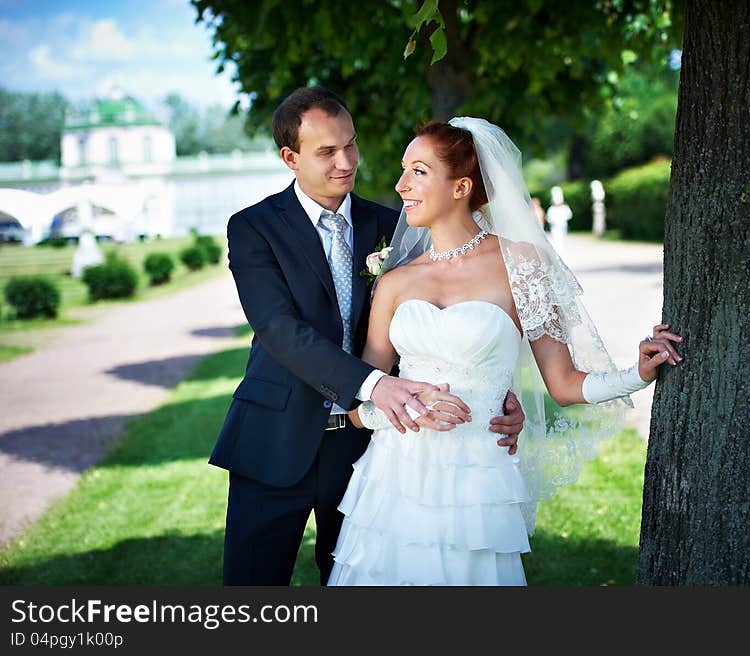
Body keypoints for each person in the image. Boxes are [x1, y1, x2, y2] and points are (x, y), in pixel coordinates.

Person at [327, 118, 683, 586]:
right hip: (394, 483)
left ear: (461, 187)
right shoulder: (394, 281)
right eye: (403, 170)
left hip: (478, 482)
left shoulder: (522, 264)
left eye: (418, 171)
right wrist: (410, 408)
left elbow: (565, 384)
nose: (400, 185)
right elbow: (363, 399)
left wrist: (635, 373)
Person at [209, 89, 525, 586]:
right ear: (290, 158)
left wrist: (494, 394)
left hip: (367, 447)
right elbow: (279, 330)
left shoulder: (394, 225)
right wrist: (376, 385)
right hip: (273, 439)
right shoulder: (254, 228)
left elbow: (440, 315)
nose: (346, 161)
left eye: (350, 145)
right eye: (327, 152)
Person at [546, 184, 573, 258]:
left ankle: (561, 249)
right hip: (555, 225)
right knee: (556, 237)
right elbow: (549, 217)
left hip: (562, 224)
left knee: (562, 236)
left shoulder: (564, 207)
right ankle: (557, 250)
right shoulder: (552, 209)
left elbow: (569, 215)